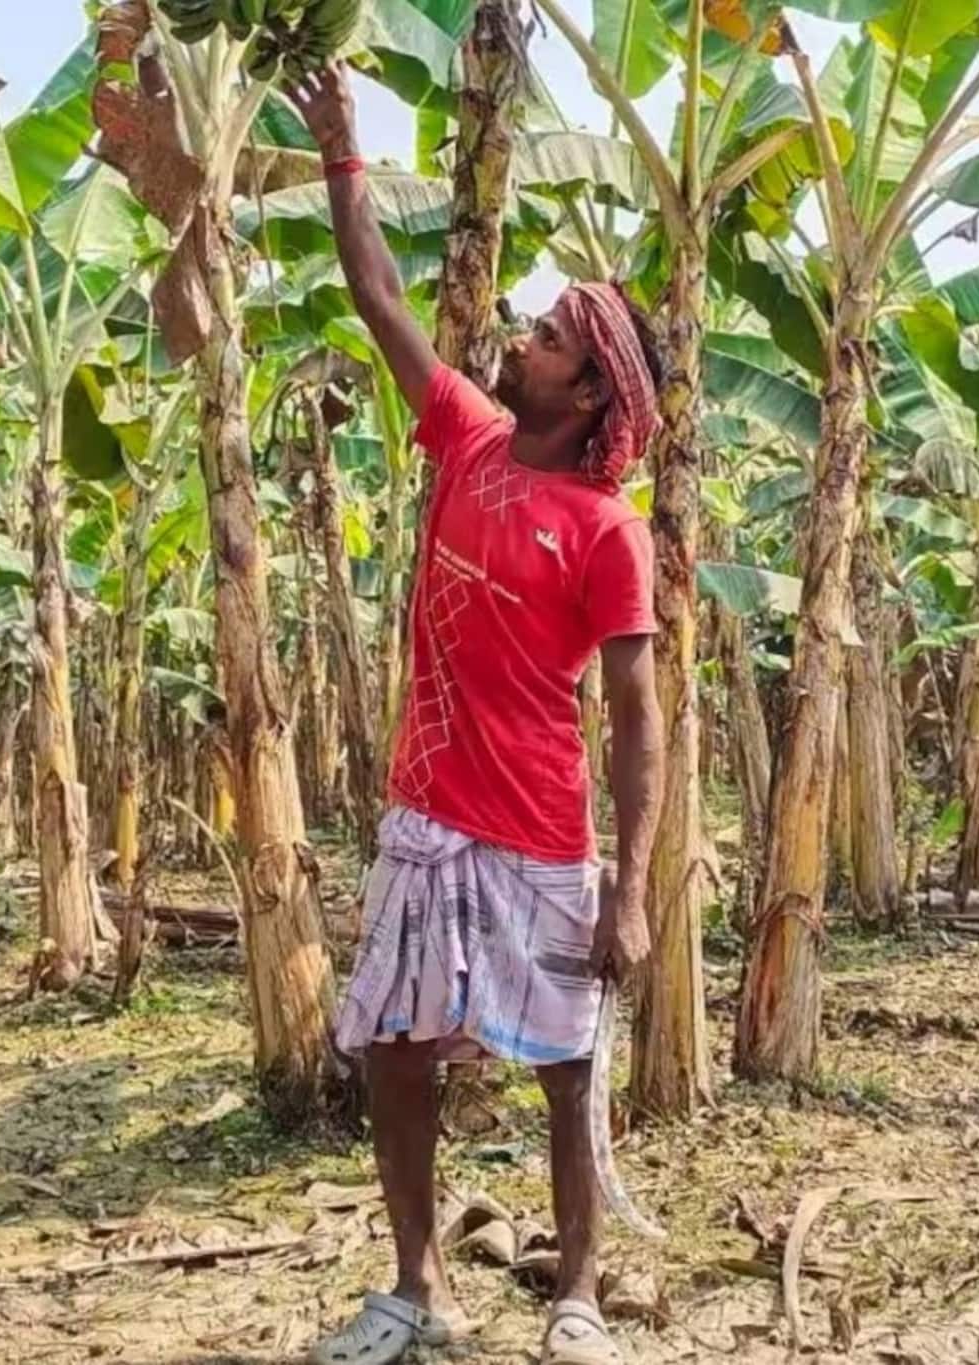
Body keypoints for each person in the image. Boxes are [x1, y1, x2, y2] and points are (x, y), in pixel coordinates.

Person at [286, 62, 668, 1365]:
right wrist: (344, 155)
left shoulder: (609, 533)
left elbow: (635, 716)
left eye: (553, 336)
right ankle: (418, 1287)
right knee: (397, 1046)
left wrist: (629, 885)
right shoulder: (464, 434)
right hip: (428, 820)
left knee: (566, 1068)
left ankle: (576, 1298)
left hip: (541, 831)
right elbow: (378, 293)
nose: (524, 335)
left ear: (589, 395)